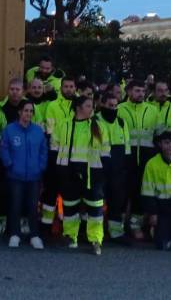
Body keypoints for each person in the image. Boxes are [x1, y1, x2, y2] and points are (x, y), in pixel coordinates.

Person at [53, 95, 110, 255]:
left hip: (93, 172)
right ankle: (71, 237)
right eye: (88, 106)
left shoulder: (99, 126)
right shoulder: (64, 125)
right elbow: (54, 146)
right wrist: (59, 169)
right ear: (78, 108)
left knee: (95, 208)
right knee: (70, 206)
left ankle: (95, 240)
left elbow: (105, 150)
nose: (92, 109)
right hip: (68, 171)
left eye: (92, 106)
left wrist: (102, 171)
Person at [0, 100, 48, 250]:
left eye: (31, 111)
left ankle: (34, 235)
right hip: (15, 175)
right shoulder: (9, 130)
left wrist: (41, 167)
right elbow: (4, 148)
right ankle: (14, 234)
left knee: (33, 206)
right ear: (20, 112)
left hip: (34, 175)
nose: (28, 114)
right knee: (15, 205)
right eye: (26, 110)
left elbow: (43, 150)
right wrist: (9, 164)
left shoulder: (38, 131)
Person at [117, 80, 160, 240]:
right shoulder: (120, 109)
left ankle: (135, 226)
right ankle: (119, 227)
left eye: (143, 91)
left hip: (146, 158)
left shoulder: (152, 110)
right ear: (128, 92)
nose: (140, 94)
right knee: (122, 193)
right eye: (137, 91)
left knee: (139, 194)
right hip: (125, 158)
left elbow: (158, 133)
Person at [0, 78, 25, 237]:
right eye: (12, 89)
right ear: (8, 90)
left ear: (23, 91)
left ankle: (21, 221)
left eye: (18, 89)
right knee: (1, 188)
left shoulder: (29, 108)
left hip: (23, 156)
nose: (14, 92)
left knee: (23, 189)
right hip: (3, 154)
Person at [39, 76, 76, 232]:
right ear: (61, 88)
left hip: (74, 154)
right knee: (51, 190)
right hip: (56, 152)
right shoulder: (52, 106)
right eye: (66, 86)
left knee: (70, 192)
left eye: (71, 86)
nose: (68, 89)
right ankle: (46, 226)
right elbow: (50, 130)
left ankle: (69, 228)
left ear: (75, 88)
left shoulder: (79, 105)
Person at [96, 91, 130, 243]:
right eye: (110, 106)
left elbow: (127, 147)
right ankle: (95, 233)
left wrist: (126, 166)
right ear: (101, 104)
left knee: (117, 202)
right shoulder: (94, 121)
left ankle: (116, 233)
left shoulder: (122, 122)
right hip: (99, 168)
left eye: (116, 106)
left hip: (117, 170)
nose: (113, 109)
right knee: (96, 202)